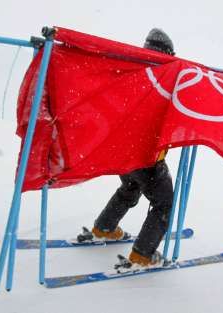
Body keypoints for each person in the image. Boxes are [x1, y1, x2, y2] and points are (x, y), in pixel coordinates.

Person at [77, 28, 175, 267]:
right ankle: (143, 253)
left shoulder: (134, 74)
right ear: (166, 54)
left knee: (130, 187)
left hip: (125, 152)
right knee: (164, 203)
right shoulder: (164, 80)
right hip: (147, 156)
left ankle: (105, 227)